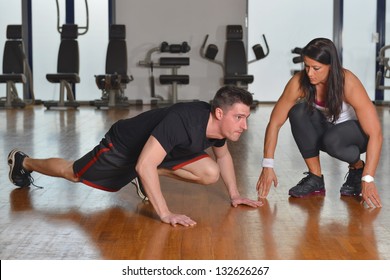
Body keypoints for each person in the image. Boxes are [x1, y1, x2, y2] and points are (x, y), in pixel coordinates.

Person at [8, 85, 262, 227]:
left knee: (210, 173)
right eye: (238, 118)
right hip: (122, 146)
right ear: (219, 113)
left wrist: (235, 195)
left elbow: (224, 158)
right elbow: (143, 162)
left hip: (156, 153)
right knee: (73, 173)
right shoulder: (184, 121)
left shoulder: (217, 129)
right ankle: (24, 161)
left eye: (246, 118)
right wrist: (165, 213)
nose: (244, 125)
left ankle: (146, 175)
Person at [256, 38, 383, 208]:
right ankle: (315, 178)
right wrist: (267, 165)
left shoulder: (348, 83)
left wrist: (368, 178)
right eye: (306, 66)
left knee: (332, 139)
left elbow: (375, 134)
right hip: (330, 131)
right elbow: (275, 122)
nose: (310, 73)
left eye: (316, 68)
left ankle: (357, 168)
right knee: (298, 112)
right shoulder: (300, 82)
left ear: (331, 66)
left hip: (357, 135)